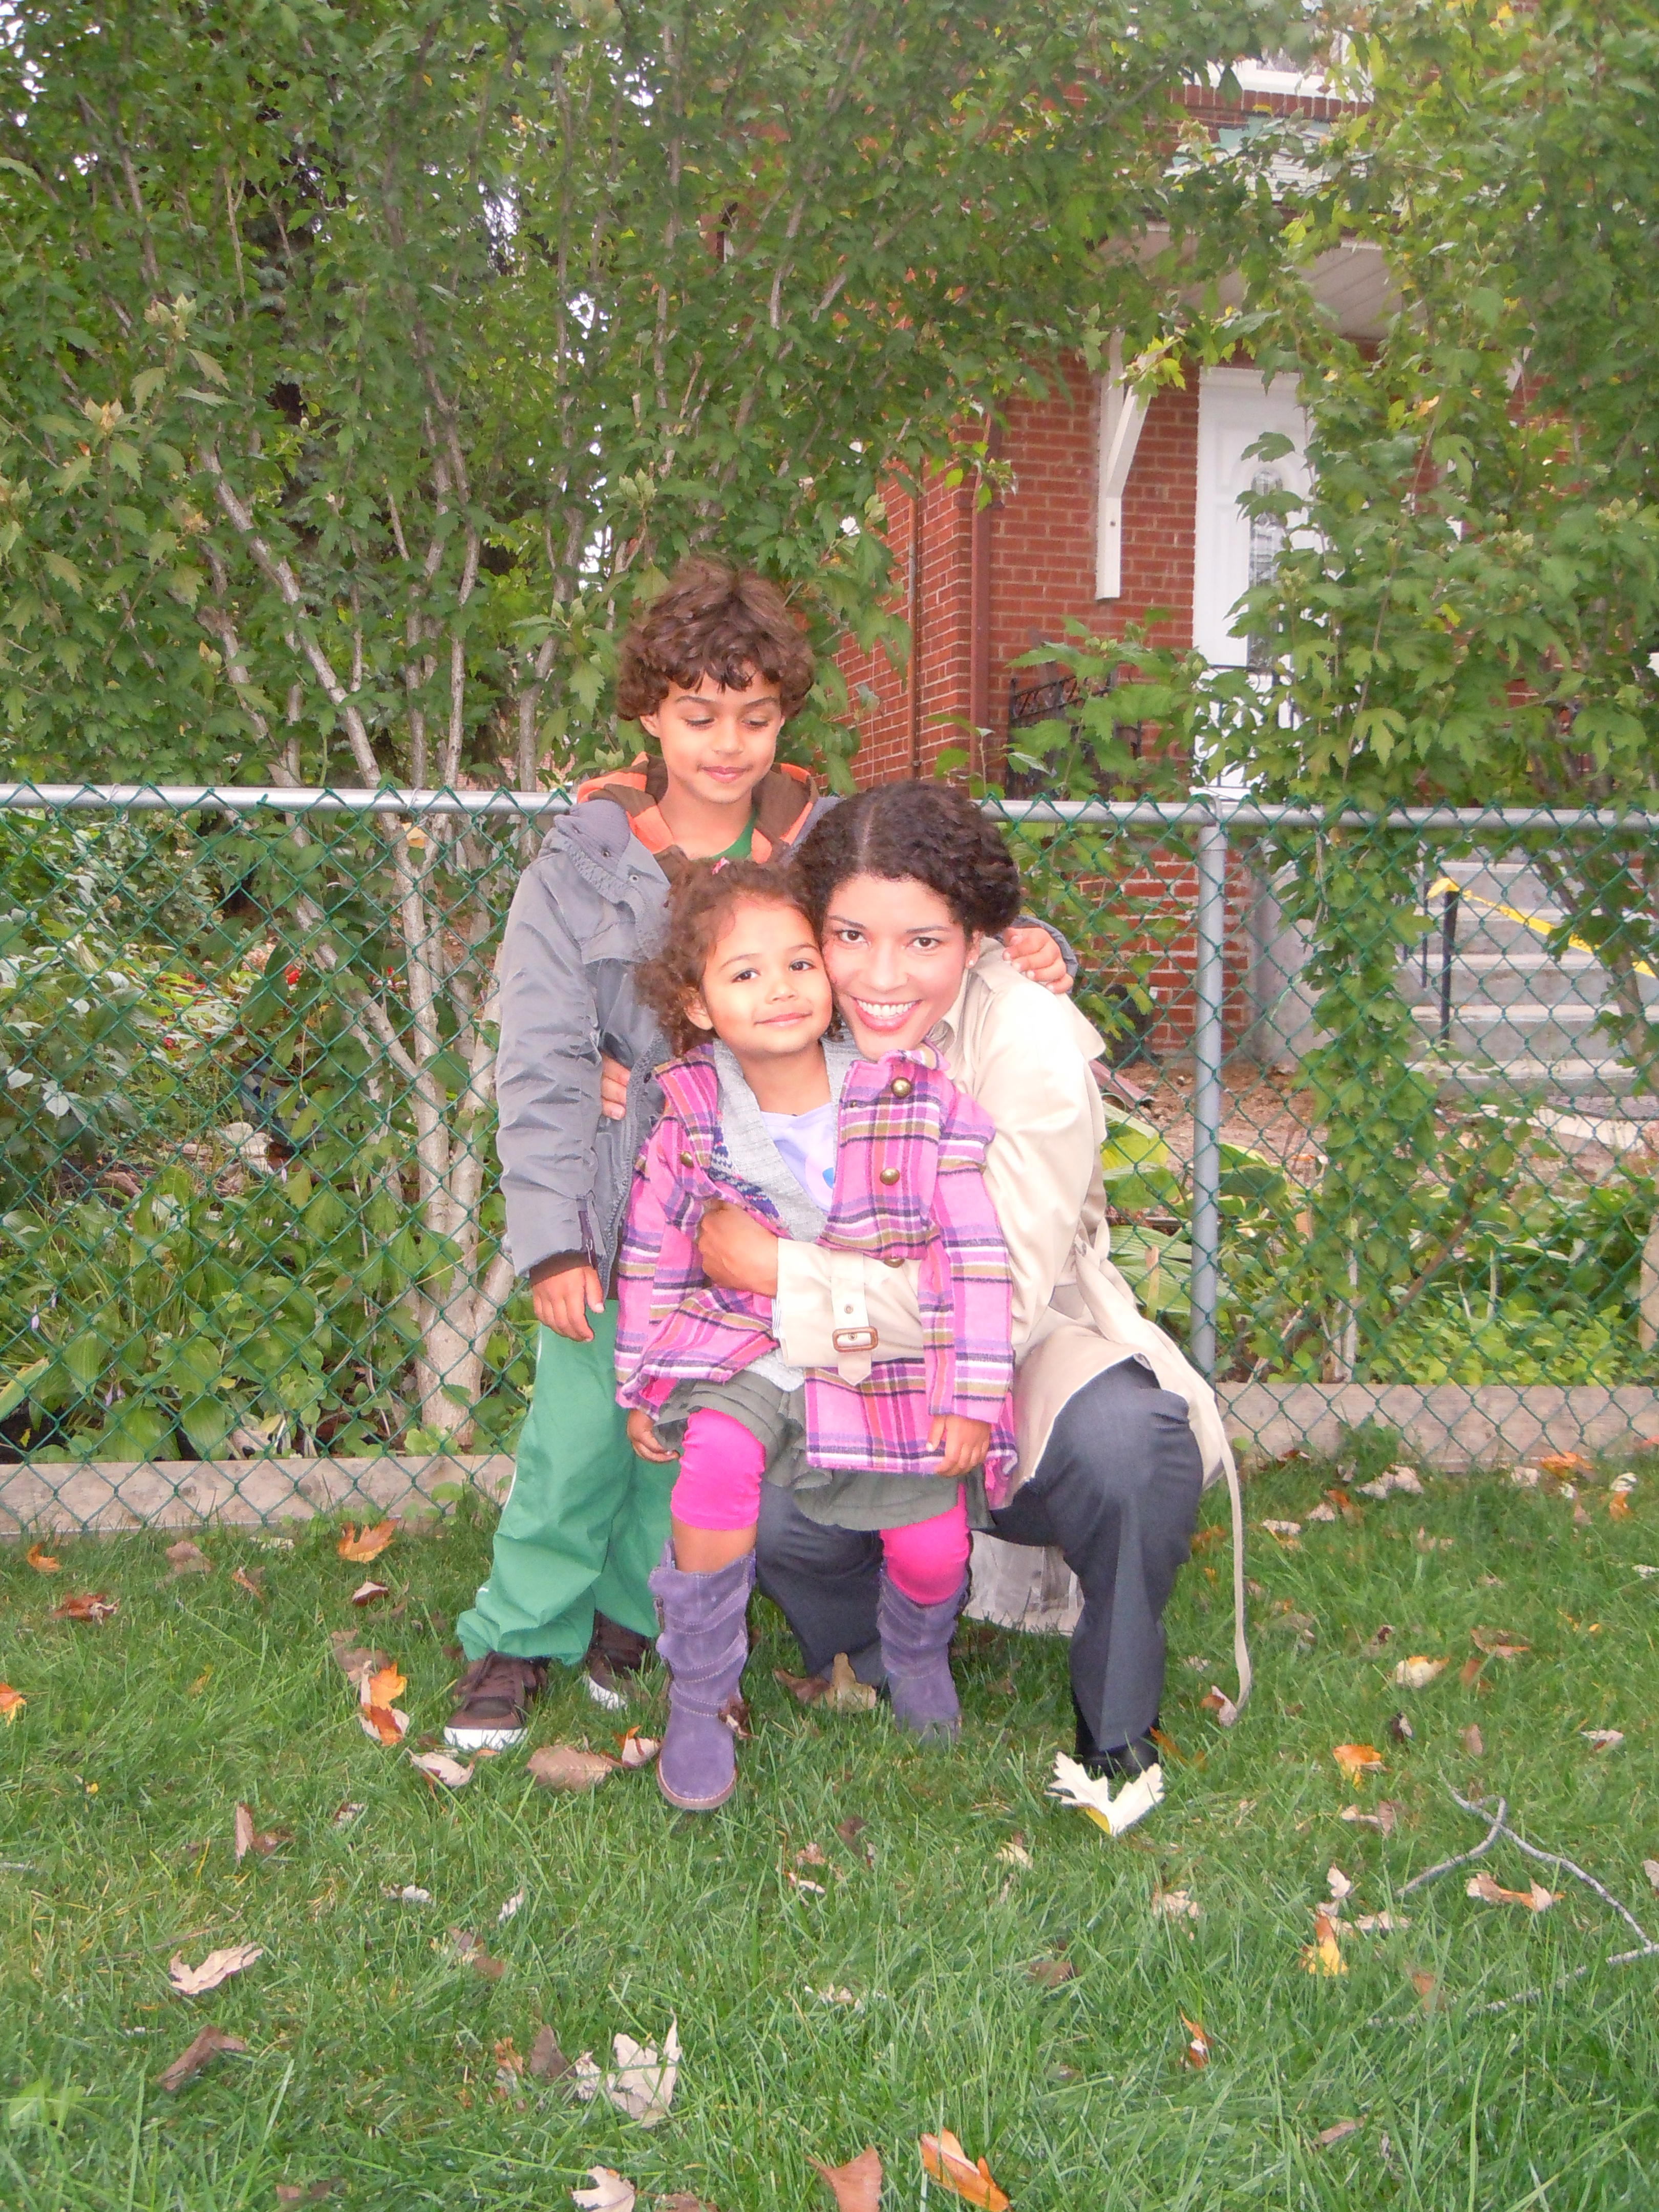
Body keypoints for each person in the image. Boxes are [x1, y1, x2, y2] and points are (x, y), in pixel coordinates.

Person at [447, 562, 1073, 1751]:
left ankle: (635, 1618)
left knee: (686, 1434)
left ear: (786, 714)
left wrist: (1020, 941)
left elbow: (914, 931)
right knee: (580, 1434)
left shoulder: (820, 844)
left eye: (754, 716)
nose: (725, 744)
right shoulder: (580, 868)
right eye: (696, 715)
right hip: (617, 1202)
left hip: (773, 1224)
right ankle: (518, 1636)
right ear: (648, 712)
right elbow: (535, 1061)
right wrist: (552, 1239)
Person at [694, 782, 1250, 1807]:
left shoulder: (1029, 1043)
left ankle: (1115, 1734)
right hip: (848, 1362)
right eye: (850, 934)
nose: (880, 976)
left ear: (978, 939)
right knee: (772, 1499)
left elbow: (1001, 1294)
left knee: (1135, 1447)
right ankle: (870, 1651)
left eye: (924, 942)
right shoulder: (792, 1000)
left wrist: (787, 1276)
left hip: (1013, 1346)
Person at [614, 859, 1018, 1809]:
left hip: (880, 1358)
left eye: (799, 963)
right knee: (713, 1451)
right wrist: (640, 1379)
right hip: (743, 1341)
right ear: (701, 1004)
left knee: (930, 1549)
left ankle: (917, 1654)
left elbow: (974, 1255)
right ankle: (702, 1695)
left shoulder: (910, 1102)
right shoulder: (691, 1119)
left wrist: (971, 1393)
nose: (781, 989)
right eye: (744, 974)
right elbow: (651, 1249)